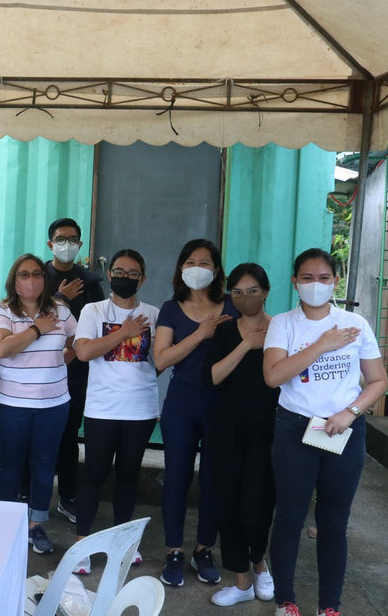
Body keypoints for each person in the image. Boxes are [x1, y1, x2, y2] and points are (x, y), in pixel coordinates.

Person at [263, 249, 385, 616]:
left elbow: (378, 381)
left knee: (333, 522)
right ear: (294, 282)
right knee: (289, 517)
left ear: (336, 281)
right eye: (307, 278)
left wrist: (349, 413)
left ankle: (329, 606)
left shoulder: (356, 324)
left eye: (324, 278)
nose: (315, 285)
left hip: (342, 430)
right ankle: (286, 601)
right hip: (294, 429)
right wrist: (323, 345)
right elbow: (273, 377)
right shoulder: (283, 323)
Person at [153, 238, 237, 587]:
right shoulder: (171, 308)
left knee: (214, 479)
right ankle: (174, 550)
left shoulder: (232, 306)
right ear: (181, 268)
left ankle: (204, 549)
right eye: (190, 262)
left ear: (216, 270)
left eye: (204, 263)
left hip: (222, 404)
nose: (197, 268)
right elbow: (161, 359)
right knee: (176, 477)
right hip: (182, 402)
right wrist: (201, 333)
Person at [71, 249, 159, 575]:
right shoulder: (93, 311)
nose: (125, 277)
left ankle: (123, 542)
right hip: (101, 409)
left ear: (143, 279)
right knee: (93, 475)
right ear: (110, 276)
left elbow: (158, 361)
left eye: (133, 273)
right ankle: (82, 543)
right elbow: (83, 352)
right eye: (119, 271)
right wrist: (123, 332)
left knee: (128, 475)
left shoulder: (154, 313)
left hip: (140, 410)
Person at [0, 253, 75, 555]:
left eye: (37, 274)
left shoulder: (60, 310)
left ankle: (36, 525)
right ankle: (8, 525)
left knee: (43, 465)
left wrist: (63, 358)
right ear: (14, 281)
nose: (32, 280)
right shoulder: (2, 311)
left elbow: (76, 340)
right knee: (10, 465)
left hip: (54, 404)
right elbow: (0, 347)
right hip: (13, 404)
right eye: (24, 275)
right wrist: (37, 329)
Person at [204, 263, 278, 607]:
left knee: (258, 507)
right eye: (237, 292)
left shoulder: (282, 329)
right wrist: (247, 344)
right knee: (229, 505)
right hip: (225, 431)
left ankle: (261, 564)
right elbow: (215, 376)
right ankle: (242, 580)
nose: (245, 298)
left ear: (265, 291)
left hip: (268, 432)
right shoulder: (224, 331)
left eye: (252, 291)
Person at [43, 217, 105, 523]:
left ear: (80, 244)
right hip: (38, 369)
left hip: (77, 371)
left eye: (72, 239)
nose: (66, 244)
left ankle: (68, 496)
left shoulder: (91, 282)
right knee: (38, 435)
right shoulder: (36, 275)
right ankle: (31, 497)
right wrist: (60, 299)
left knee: (68, 434)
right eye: (60, 238)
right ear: (50, 243)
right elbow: (29, 319)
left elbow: (99, 326)